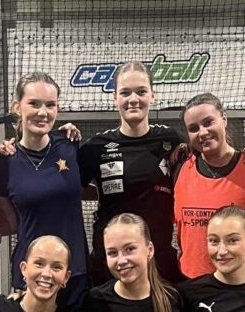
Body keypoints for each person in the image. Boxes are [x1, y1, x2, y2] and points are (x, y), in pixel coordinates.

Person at [0, 72, 89, 306]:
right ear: (17, 106)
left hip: (74, 272)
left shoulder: (69, 144)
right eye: (34, 104)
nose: (43, 112)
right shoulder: (2, 163)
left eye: (50, 105)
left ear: (57, 109)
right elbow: (11, 222)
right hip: (32, 275)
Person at [78, 61, 182, 285]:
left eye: (141, 91)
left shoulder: (172, 140)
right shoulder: (96, 147)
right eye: (125, 92)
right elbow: (65, 187)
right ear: (114, 97)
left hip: (159, 261)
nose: (133, 99)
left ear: (152, 95)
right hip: (112, 264)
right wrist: (62, 140)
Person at [174, 92, 245, 279]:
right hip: (190, 283)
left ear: (224, 119)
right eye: (193, 128)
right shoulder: (179, 167)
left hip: (238, 284)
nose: (203, 132)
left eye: (208, 122)